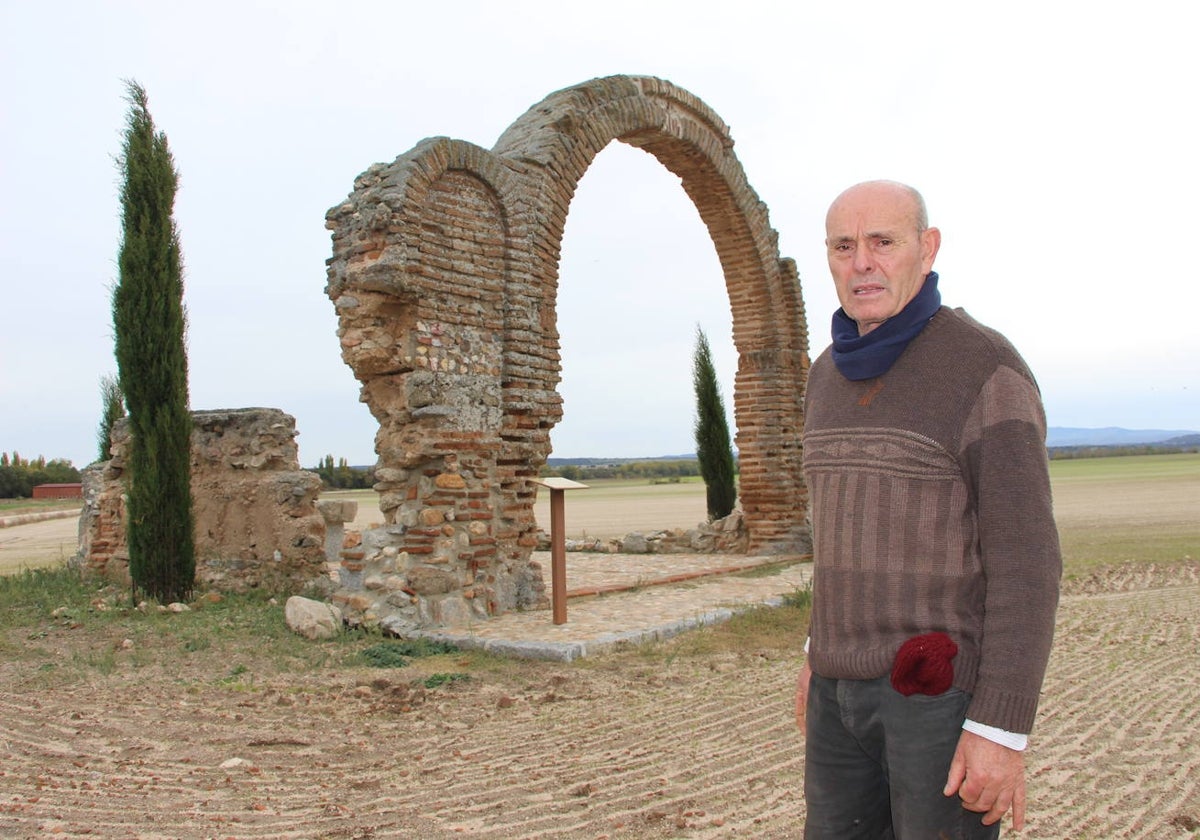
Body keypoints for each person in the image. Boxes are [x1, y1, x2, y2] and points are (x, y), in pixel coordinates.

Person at [794, 180, 1061, 838]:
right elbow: (840, 534)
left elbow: (1029, 563)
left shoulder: (984, 370)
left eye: (883, 242)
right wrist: (814, 652)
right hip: (836, 696)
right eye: (844, 246)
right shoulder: (824, 375)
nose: (862, 263)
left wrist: (1000, 729)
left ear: (927, 248)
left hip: (935, 697)